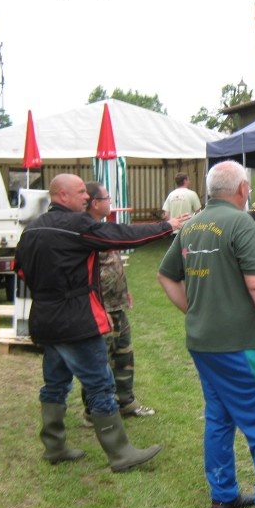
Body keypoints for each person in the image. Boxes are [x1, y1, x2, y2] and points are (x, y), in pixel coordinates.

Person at [158, 160, 255, 508]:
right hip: (240, 345)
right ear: (242, 189)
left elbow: (166, 275)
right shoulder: (242, 224)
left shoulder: (191, 225)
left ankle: (223, 495)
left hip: (203, 343)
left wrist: (196, 311)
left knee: (220, 416)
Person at [15, 174, 188, 472]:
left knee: (55, 383)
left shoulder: (32, 228)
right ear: (62, 195)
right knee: (100, 385)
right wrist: (166, 226)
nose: (87, 197)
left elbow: (20, 270)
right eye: (81, 192)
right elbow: (121, 235)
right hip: (76, 321)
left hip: (44, 318)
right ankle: (120, 453)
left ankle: (54, 446)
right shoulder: (78, 225)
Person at [79, 182, 155, 425]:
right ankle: (93, 412)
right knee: (100, 361)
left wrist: (124, 291)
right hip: (100, 309)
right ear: (95, 203)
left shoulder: (100, 228)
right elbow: (89, 274)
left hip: (116, 305)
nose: (110, 201)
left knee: (124, 355)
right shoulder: (87, 231)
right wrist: (101, 305)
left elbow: (111, 264)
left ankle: (126, 402)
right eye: (106, 198)